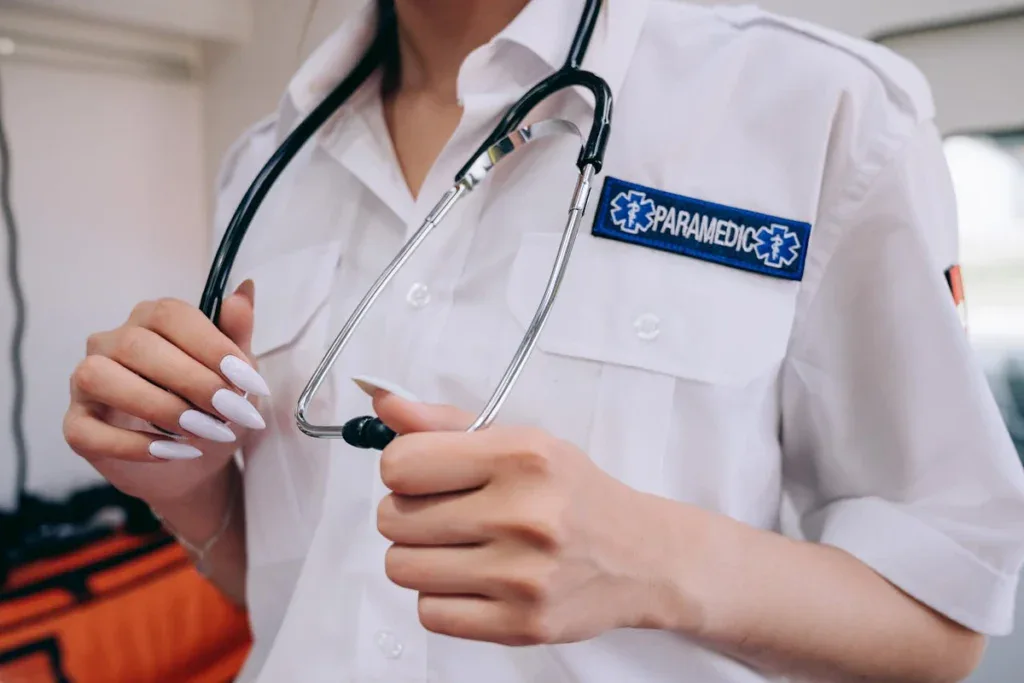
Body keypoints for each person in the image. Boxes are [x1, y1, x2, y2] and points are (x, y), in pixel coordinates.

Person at [63, 0, 1024, 681]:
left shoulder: (821, 108)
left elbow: (943, 622)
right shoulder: (262, 167)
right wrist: (187, 492)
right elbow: (284, 579)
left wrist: (654, 557)